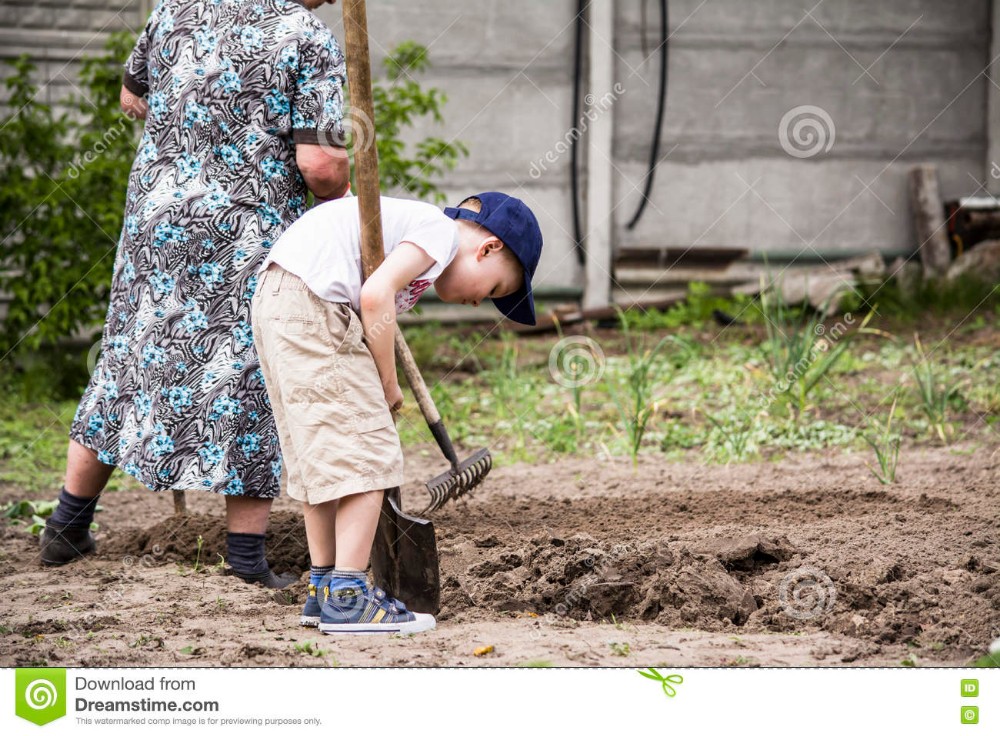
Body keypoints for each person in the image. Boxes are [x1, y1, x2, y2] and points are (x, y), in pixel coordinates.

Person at [40, 0, 352, 588]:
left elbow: (132, 95)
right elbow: (320, 166)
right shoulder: (306, 35)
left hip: (157, 219)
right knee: (247, 372)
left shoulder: (178, 7)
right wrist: (342, 191)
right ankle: (245, 557)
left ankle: (66, 524)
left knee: (130, 357)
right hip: (244, 231)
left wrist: (191, 131)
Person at [251, 192, 543, 633]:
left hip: (280, 301)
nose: (480, 302)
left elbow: (371, 296)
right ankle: (348, 598)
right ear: (488, 249)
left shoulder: (410, 230)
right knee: (369, 453)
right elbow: (374, 297)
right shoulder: (441, 233)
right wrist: (387, 383)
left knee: (322, 456)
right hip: (314, 307)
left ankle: (324, 588)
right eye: (496, 289)